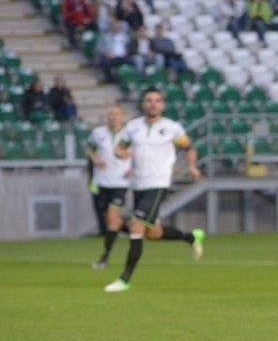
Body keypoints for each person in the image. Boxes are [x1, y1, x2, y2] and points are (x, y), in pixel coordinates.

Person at [103, 89, 205, 292]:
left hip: (158, 184)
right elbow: (119, 148)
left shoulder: (172, 128)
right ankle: (192, 237)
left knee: (136, 227)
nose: (153, 104)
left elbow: (189, 147)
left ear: (162, 105)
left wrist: (192, 166)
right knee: (153, 234)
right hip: (138, 186)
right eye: (149, 100)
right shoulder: (133, 127)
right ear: (143, 104)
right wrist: (121, 153)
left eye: (157, 100)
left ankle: (124, 279)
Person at [85, 103, 131, 269]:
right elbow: (89, 149)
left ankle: (104, 257)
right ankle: (134, 231)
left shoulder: (129, 134)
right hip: (102, 181)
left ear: (122, 116)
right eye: (111, 114)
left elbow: (138, 153)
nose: (113, 117)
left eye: (116, 114)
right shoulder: (98, 133)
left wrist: (133, 168)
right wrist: (95, 158)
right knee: (111, 221)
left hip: (120, 182)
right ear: (107, 116)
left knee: (112, 218)